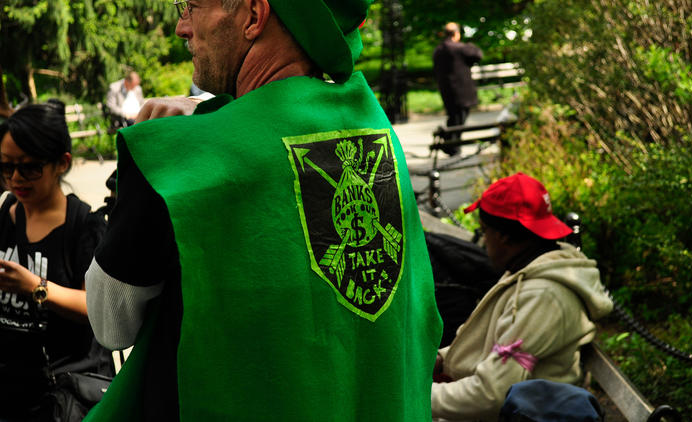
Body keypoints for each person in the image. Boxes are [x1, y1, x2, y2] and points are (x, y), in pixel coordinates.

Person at [84, 0, 443, 421]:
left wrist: (171, 145)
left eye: (192, 6)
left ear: (254, 16)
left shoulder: (182, 157)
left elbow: (110, 322)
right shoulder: (375, 133)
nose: (182, 27)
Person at [431, 173, 613, 421]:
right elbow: (494, 343)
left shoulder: (542, 297)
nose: (483, 242)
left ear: (503, 236)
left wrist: (417, 394)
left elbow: (490, 396)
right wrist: (442, 358)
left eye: (485, 232)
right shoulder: (527, 269)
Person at [0, 101, 107, 419]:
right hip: (10, 389)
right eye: (6, 167)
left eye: (30, 167)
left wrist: (36, 287)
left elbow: (98, 308)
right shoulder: (6, 213)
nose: (16, 178)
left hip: (61, 395)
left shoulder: (85, 226)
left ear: (62, 163)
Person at [433, 22, 483, 156]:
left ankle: (450, 144)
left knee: (453, 118)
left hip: (446, 89)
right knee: (459, 119)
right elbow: (478, 55)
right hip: (462, 91)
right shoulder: (459, 48)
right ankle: (453, 146)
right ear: (456, 33)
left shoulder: (439, 49)